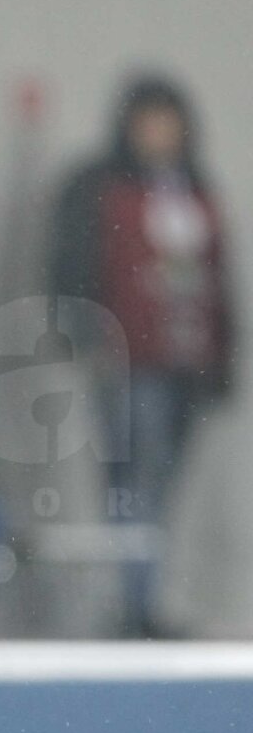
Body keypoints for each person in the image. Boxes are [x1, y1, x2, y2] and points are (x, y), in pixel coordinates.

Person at [48, 73, 238, 636]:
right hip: (130, 358)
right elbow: (76, 263)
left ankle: (153, 598)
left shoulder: (196, 190)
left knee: (171, 487)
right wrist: (86, 333)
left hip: (190, 361)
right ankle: (131, 604)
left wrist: (224, 354)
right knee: (135, 480)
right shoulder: (101, 186)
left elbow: (216, 278)